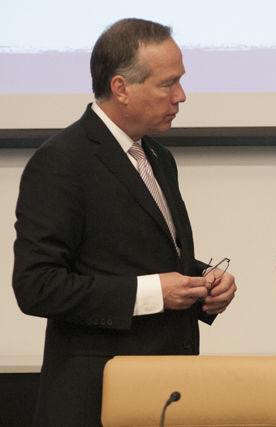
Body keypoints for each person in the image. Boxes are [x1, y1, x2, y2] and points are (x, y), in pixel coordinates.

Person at [12, 18, 237, 426]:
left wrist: (203, 282)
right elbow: (36, 286)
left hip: (165, 395)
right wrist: (153, 293)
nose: (181, 96)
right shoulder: (61, 162)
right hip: (94, 400)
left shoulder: (157, 156)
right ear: (121, 88)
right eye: (168, 83)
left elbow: (138, 256)